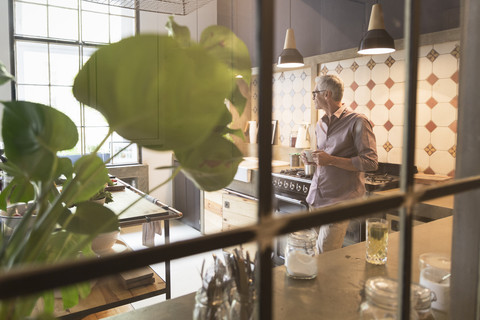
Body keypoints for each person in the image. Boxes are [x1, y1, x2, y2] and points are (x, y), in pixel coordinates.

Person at [301, 74, 378, 253]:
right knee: (312, 253)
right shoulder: (319, 124)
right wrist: (313, 160)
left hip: (339, 201)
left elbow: (371, 162)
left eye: (315, 92)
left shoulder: (358, 121)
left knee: (325, 256)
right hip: (316, 197)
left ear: (326, 94)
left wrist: (331, 160)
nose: (313, 97)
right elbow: (325, 159)